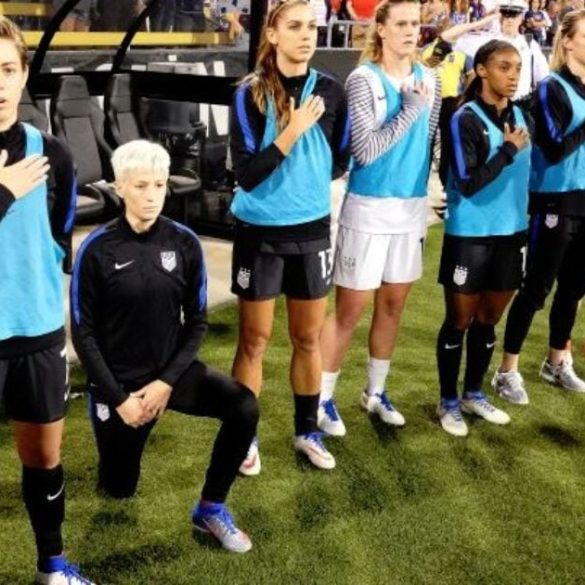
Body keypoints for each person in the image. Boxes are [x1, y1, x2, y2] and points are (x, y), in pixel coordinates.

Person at [71, 140, 259, 554]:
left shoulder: (184, 242)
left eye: (158, 184)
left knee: (244, 406)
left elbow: (197, 322)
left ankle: (210, 508)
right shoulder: (96, 249)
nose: (152, 195)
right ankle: (109, 428)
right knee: (120, 487)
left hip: (172, 374)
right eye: (140, 186)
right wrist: (120, 400)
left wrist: (166, 383)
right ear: (120, 188)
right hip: (120, 387)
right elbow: (84, 335)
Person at [229, 0, 350, 473]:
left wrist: (303, 185)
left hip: (311, 230)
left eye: (312, 27)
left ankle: (306, 431)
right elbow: (247, 175)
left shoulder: (332, 91)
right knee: (254, 342)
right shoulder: (250, 93)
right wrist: (291, 133)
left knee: (307, 339)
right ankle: (244, 437)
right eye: (295, 26)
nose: (306, 35)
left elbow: (340, 160)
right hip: (259, 233)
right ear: (273, 34)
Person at [0, 16, 96, 585]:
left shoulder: (52, 153)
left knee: (44, 460)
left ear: (22, 75)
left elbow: (60, 236)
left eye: (7, 69)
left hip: (35, 332)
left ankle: (51, 569)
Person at [318, 0, 441, 437]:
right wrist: (409, 109)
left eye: (415, 23)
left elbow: (428, 142)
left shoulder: (430, 78)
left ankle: (375, 392)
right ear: (382, 29)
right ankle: (321, 399)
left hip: (410, 209)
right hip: (368, 207)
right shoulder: (363, 79)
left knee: (393, 305)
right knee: (349, 310)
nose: (411, 30)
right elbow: (365, 151)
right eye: (401, 23)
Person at [436, 39, 531, 436]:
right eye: (504, 67)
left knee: (489, 319)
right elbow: (468, 182)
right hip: (470, 235)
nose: (513, 75)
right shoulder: (465, 118)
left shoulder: (523, 115)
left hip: (513, 233)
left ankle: (473, 393)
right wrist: (507, 151)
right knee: (459, 320)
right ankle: (448, 401)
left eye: (517, 68)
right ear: (481, 71)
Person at [492, 10, 585, 403]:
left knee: (574, 288)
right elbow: (553, 146)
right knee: (536, 288)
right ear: (568, 41)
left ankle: (556, 361)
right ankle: (506, 370)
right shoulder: (551, 88)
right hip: (554, 199)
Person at [454, 0, 549, 102]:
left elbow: (543, 76)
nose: (509, 20)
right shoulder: (489, 41)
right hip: (494, 104)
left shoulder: (530, 44)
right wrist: (483, 21)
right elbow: (450, 38)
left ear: (521, 18)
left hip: (522, 103)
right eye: (505, 15)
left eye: (514, 16)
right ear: (500, 18)